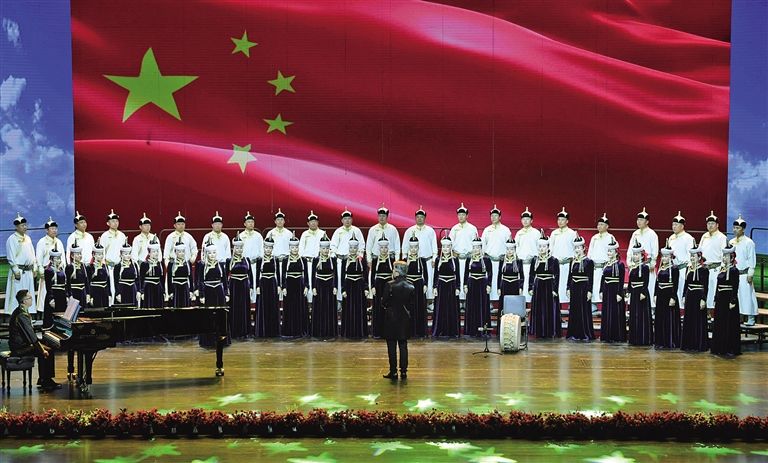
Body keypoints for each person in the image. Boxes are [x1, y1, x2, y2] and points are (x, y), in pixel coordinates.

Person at [8, 290, 59, 391]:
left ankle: (44, 378)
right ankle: (46, 381)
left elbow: (30, 334)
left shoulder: (21, 311)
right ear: (24, 301)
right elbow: (31, 337)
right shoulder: (21, 315)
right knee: (48, 350)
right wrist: (42, 349)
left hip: (22, 344)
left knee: (47, 345)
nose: (32, 299)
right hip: (19, 348)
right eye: (30, 298)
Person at [382, 261, 415, 380]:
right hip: (405, 319)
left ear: (397, 271)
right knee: (403, 345)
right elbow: (412, 303)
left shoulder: (389, 285)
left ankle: (393, 371)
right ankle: (404, 371)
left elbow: (384, 302)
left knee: (391, 346)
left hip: (391, 319)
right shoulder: (411, 285)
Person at [401, 207, 438, 309]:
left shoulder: (430, 230)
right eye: (418, 217)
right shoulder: (409, 230)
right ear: (415, 218)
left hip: (427, 260)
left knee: (428, 281)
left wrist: (434, 258)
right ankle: (411, 303)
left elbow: (434, 245)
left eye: (421, 217)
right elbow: (405, 246)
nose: (420, 219)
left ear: (425, 218)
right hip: (413, 261)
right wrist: (404, 259)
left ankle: (429, 302)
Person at [528, 232, 561, 338]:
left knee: (549, 309)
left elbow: (557, 276)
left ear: (548, 247)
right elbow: (531, 274)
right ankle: (538, 331)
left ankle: (550, 331)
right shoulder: (535, 260)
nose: (541, 248)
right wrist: (530, 287)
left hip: (549, 286)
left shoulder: (554, 260)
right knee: (538, 309)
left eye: (544, 246)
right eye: (540, 246)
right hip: (538, 286)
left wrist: (555, 290)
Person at [197, 240, 229, 347]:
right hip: (208, 292)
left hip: (219, 292)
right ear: (206, 253)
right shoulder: (202, 265)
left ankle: (222, 339)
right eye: (210, 253)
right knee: (209, 316)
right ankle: (209, 340)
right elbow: (200, 281)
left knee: (221, 316)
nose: (212, 255)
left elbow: (224, 280)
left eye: (214, 252)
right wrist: (202, 294)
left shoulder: (220, 264)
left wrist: (226, 293)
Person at [710, 244, 740, 356]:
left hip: (728, 298)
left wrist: (733, 300)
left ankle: (729, 347)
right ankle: (719, 347)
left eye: (726, 256)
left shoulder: (734, 270)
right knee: (720, 322)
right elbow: (718, 285)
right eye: (723, 256)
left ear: (731, 257)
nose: (724, 258)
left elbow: (735, 286)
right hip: (720, 299)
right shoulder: (722, 269)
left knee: (729, 322)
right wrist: (715, 297)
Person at [330, 209, 365, 304]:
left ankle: (352, 301)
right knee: (340, 279)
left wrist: (359, 257)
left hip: (354, 260)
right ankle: (340, 301)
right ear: (342, 220)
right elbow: (333, 246)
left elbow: (361, 245)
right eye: (345, 219)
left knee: (352, 280)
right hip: (341, 260)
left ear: (352, 220)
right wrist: (334, 258)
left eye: (349, 218)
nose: (347, 220)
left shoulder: (357, 231)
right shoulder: (338, 231)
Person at [5, 213, 37, 314]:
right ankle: (16, 316)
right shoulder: (12, 239)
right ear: (17, 227)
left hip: (28, 271)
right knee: (17, 294)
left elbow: (32, 254)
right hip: (19, 271)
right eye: (22, 225)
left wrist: (34, 268)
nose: (25, 227)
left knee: (28, 294)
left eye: (25, 225)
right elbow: (11, 256)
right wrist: (15, 270)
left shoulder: (28, 238)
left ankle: (28, 315)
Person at [482, 205, 512, 311]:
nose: (493, 218)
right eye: (492, 216)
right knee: (489, 281)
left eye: (496, 216)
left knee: (500, 282)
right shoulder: (487, 230)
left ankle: (501, 304)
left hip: (501, 260)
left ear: (500, 217)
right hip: (489, 260)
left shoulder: (505, 230)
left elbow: (510, 245)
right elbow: (483, 245)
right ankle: (489, 303)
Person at [730, 214, 758, 326]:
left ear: (743, 229)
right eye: (734, 228)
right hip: (734, 273)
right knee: (736, 296)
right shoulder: (731, 242)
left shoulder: (748, 242)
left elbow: (751, 258)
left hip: (744, 273)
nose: (735, 230)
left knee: (747, 296)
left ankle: (751, 317)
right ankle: (739, 317)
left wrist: (750, 273)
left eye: (738, 228)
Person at [566, 235, 595, 341]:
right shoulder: (573, 261)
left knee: (584, 310)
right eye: (575, 248)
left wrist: (589, 291)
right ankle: (573, 333)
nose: (577, 249)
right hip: (574, 287)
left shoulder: (589, 262)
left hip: (584, 287)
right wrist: (568, 288)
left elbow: (591, 277)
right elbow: (570, 276)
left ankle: (584, 333)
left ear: (583, 248)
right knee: (574, 310)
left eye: (579, 247)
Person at [681, 245, 709, 351]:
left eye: (694, 256)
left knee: (698, 319)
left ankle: (698, 344)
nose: (692, 258)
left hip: (698, 295)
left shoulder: (704, 270)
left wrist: (703, 299)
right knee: (689, 319)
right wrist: (684, 295)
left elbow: (705, 286)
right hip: (690, 295)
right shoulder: (688, 268)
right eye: (691, 256)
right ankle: (689, 343)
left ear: (699, 257)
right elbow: (686, 284)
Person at [630, 207, 659, 309]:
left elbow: (655, 250)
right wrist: (630, 262)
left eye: (641, 220)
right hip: (636, 264)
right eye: (638, 219)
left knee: (649, 286)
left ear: (647, 222)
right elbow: (630, 249)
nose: (639, 222)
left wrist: (652, 263)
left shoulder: (652, 234)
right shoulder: (635, 233)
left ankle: (650, 308)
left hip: (647, 265)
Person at [449, 203, 478, 303]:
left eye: (463, 215)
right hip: (457, 258)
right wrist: (453, 254)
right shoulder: (454, 228)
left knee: (467, 279)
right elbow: (449, 243)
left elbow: (476, 244)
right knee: (458, 278)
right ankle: (459, 302)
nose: (461, 216)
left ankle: (467, 301)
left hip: (469, 259)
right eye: (459, 215)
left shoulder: (472, 228)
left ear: (467, 216)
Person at [340, 237, 369, 338]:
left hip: (359, 286)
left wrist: (366, 288)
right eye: (351, 247)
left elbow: (365, 275)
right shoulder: (345, 260)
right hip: (349, 286)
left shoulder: (362, 260)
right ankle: (348, 332)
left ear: (357, 248)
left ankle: (360, 332)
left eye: (354, 248)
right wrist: (343, 289)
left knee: (359, 309)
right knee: (348, 309)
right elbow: (342, 275)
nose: (353, 249)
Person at [432, 236, 461, 338]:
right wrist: (434, 287)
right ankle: (439, 330)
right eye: (444, 246)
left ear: (450, 247)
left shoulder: (455, 260)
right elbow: (436, 275)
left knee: (451, 308)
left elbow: (458, 275)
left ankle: (452, 331)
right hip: (441, 286)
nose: (445, 249)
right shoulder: (438, 259)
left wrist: (458, 287)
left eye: (447, 246)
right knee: (440, 308)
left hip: (451, 286)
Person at [464, 236, 492, 337]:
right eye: (474, 247)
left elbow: (490, 273)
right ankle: (471, 329)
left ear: (481, 248)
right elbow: (466, 273)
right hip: (471, 284)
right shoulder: (469, 259)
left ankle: (483, 329)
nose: (476, 249)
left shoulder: (486, 259)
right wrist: (465, 285)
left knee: (482, 305)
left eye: (478, 247)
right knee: (471, 306)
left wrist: (489, 285)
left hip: (482, 284)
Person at [282, 233, 309, 337]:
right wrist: (284, 287)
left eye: (296, 247)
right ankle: (289, 330)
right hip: (289, 285)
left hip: (299, 285)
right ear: (289, 248)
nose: (294, 249)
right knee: (289, 308)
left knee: (300, 307)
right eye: (292, 247)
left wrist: (306, 286)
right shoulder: (285, 260)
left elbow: (306, 274)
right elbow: (283, 274)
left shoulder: (303, 260)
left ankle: (300, 330)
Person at [654, 241, 681, 349]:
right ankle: (660, 341)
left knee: (668, 318)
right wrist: (655, 294)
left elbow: (675, 284)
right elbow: (657, 282)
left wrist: (673, 297)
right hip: (660, 295)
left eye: (666, 256)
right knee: (660, 318)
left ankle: (669, 341)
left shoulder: (674, 269)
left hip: (669, 295)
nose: (664, 258)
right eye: (663, 256)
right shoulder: (661, 268)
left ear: (670, 257)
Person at [588, 213, 617, 314]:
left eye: (602, 224)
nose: (599, 226)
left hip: (605, 266)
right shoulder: (594, 237)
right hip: (594, 266)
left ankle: (605, 306)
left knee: (603, 286)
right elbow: (590, 251)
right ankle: (593, 305)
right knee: (594, 285)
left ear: (607, 226)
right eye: (598, 224)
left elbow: (613, 251)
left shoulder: (610, 237)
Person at [35, 217, 65, 313]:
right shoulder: (42, 242)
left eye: (55, 228)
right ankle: (44, 311)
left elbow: (63, 258)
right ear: (46, 230)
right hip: (47, 272)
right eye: (52, 228)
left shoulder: (59, 242)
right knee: (46, 292)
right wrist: (40, 269)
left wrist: (63, 269)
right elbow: (39, 257)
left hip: (59, 272)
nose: (54, 230)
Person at [227, 233, 254, 339]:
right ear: (234, 248)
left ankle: (245, 331)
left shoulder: (246, 259)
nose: (239, 249)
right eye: (237, 247)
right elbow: (225, 276)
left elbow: (250, 274)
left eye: (240, 248)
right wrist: (227, 290)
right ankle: (235, 331)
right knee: (234, 308)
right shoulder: (229, 261)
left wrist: (251, 287)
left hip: (244, 285)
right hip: (234, 286)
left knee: (244, 307)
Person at [699, 211, 727, 310]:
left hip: (715, 268)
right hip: (704, 268)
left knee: (713, 289)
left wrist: (723, 269)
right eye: (708, 223)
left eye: (712, 223)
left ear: (717, 225)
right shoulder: (704, 236)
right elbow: (700, 251)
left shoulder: (722, 237)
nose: (710, 225)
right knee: (703, 289)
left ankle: (713, 312)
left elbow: (724, 255)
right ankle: (704, 312)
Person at [311, 234, 338, 338]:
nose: (325, 250)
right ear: (320, 248)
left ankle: (330, 331)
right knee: (319, 308)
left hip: (330, 285)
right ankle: (319, 331)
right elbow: (313, 274)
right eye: (323, 248)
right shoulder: (316, 260)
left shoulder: (333, 260)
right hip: (319, 285)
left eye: (327, 248)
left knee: (329, 308)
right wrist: (313, 287)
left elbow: (335, 274)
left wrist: (335, 286)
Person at [599, 238, 626, 343]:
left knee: (615, 312)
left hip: (615, 290)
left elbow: (621, 280)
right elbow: (603, 278)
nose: (609, 253)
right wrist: (601, 290)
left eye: (611, 251)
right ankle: (607, 335)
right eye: (608, 251)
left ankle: (616, 335)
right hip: (607, 290)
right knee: (607, 311)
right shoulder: (606, 264)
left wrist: (619, 293)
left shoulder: (620, 265)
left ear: (616, 252)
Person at [549, 207, 577, 307]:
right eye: (559, 220)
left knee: (567, 285)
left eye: (562, 220)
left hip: (567, 264)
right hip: (556, 264)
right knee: (556, 285)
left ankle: (569, 307)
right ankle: (556, 308)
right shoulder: (554, 233)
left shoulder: (572, 233)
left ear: (567, 221)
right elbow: (550, 248)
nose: (560, 222)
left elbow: (575, 249)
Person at [626, 241, 652, 346]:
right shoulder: (633, 267)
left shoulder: (644, 267)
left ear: (641, 256)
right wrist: (629, 291)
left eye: (637, 254)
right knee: (634, 314)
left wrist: (643, 292)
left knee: (641, 315)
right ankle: (634, 338)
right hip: (634, 293)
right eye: (634, 254)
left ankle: (642, 338)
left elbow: (646, 281)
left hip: (641, 292)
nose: (635, 256)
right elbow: (630, 281)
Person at [255, 237, 281, 337]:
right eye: (266, 248)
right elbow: (257, 274)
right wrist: (257, 286)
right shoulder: (260, 260)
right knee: (263, 306)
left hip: (273, 283)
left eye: (270, 248)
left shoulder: (275, 259)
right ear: (264, 248)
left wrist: (279, 285)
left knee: (273, 306)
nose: (268, 250)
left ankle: (273, 331)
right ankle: (263, 330)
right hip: (263, 283)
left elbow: (278, 273)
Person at [514, 207, 541, 304]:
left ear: (531, 220)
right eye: (523, 219)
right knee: (522, 284)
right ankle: (522, 305)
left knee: (532, 283)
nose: (525, 221)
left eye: (527, 219)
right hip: (521, 264)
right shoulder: (519, 233)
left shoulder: (536, 233)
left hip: (533, 264)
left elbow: (540, 248)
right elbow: (515, 248)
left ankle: (533, 305)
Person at [404, 235, 429, 338]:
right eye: (411, 247)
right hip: (408, 285)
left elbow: (425, 274)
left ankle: (419, 331)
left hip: (419, 285)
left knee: (419, 307)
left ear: (418, 248)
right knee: (408, 307)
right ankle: (408, 330)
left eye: (415, 247)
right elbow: (402, 274)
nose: (413, 249)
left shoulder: (422, 260)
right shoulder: (405, 259)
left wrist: (425, 284)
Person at [99, 209, 127, 305]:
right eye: (113, 221)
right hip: (110, 265)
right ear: (108, 223)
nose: (115, 223)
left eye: (117, 221)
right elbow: (102, 252)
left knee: (121, 285)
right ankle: (111, 304)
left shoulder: (122, 235)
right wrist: (105, 264)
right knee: (112, 287)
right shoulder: (105, 236)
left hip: (120, 265)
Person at [668, 211, 696, 304]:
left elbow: (691, 255)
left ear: (682, 226)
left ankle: (683, 310)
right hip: (673, 269)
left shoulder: (688, 238)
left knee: (682, 291)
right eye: (673, 225)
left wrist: (689, 270)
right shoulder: (671, 238)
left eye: (676, 225)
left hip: (683, 268)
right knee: (673, 291)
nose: (674, 227)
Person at [370, 237, 395, 338]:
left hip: (389, 285)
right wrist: (372, 286)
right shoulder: (375, 260)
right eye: (382, 248)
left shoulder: (392, 259)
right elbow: (372, 275)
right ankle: (378, 332)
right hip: (379, 285)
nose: (384, 250)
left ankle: (390, 331)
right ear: (379, 248)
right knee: (378, 307)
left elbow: (394, 275)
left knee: (389, 307)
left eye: (385, 247)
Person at [299, 211, 323, 306]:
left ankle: (317, 304)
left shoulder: (322, 233)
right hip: (308, 262)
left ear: (318, 222)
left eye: (315, 221)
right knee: (308, 281)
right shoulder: (305, 234)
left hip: (318, 262)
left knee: (318, 282)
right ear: (308, 223)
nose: (313, 223)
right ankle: (308, 304)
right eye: (311, 222)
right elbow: (300, 249)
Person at [240, 212, 264, 307]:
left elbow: (262, 250)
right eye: (248, 222)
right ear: (244, 224)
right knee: (246, 284)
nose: (251, 224)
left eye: (252, 222)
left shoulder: (258, 236)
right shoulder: (241, 236)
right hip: (245, 264)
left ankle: (256, 305)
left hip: (255, 264)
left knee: (256, 284)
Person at [42, 244, 66, 328]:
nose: (58, 260)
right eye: (56, 258)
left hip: (62, 295)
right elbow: (48, 287)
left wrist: (66, 295)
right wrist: (51, 299)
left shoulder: (61, 269)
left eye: (59, 258)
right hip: (54, 295)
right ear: (51, 259)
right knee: (52, 316)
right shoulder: (48, 270)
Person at [166, 238, 195, 308]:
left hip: (185, 287)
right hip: (175, 288)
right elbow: (169, 279)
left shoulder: (187, 263)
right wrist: (170, 292)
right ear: (175, 252)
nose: (181, 253)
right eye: (179, 251)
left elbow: (190, 278)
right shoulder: (171, 263)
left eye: (183, 251)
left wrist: (191, 291)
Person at [498, 238, 524, 315]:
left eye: (512, 249)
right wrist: (499, 288)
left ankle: (514, 320)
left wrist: (521, 287)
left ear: (515, 250)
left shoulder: (519, 261)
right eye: (508, 249)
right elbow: (499, 275)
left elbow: (522, 275)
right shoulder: (502, 260)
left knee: (514, 304)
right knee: (504, 304)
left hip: (515, 285)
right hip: (504, 285)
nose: (509, 251)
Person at [265, 209, 292, 279]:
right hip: (274, 260)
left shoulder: (289, 233)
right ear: (275, 221)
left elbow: (292, 248)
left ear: (284, 221)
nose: (280, 221)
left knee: (285, 280)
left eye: (281, 219)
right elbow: (266, 248)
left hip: (286, 260)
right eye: (278, 220)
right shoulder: (270, 233)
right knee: (275, 280)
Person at [138, 237, 164, 308]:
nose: (156, 253)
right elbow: (141, 279)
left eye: (157, 251)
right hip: (148, 288)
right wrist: (142, 291)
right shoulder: (144, 264)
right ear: (149, 253)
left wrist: (163, 291)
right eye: (154, 252)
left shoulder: (160, 264)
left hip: (158, 288)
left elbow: (162, 279)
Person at [86, 240, 111, 308]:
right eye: (99, 254)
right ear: (94, 255)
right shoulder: (89, 267)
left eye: (102, 254)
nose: (101, 256)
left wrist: (109, 294)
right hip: (95, 292)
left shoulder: (105, 266)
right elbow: (88, 283)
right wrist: (90, 295)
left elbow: (108, 281)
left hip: (104, 292)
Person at [113, 241, 139, 306]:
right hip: (122, 290)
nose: (128, 256)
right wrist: (117, 293)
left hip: (133, 290)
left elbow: (137, 279)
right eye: (126, 254)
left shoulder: (134, 265)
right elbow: (116, 282)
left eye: (129, 253)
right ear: (121, 255)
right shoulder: (118, 266)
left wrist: (138, 291)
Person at [65, 240, 90, 307]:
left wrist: (88, 294)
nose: (80, 256)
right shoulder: (69, 267)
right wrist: (69, 295)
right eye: (78, 254)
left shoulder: (83, 265)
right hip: (74, 293)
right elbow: (67, 283)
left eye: (80, 254)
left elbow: (86, 281)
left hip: (83, 293)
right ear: (72, 256)